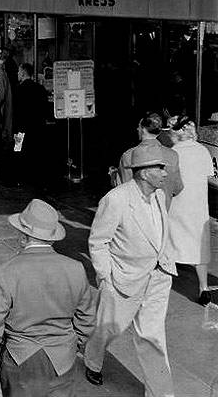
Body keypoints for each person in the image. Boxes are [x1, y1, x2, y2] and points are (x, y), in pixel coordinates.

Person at [84, 144, 177, 395]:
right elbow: (98, 241)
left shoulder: (159, 195)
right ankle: (92, 359)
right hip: (123, 279)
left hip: (158, 276)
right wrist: (106, 278)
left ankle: (161, 392)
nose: (166, 173)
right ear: (145, 172)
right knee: (108, 328)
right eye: (160, 167)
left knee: (152, 337)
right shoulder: (116, 200)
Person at [0, 199, 95, 396]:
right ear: (52, 237)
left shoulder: (6, 271)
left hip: (20, 357)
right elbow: (87, 318)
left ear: (23, 236)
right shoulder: (75, 268)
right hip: (63, 357)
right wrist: (75, 343)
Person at [166, 116, 214, 305]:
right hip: (198, 205)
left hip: (178, 205)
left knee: (171, 242)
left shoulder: (173, 153)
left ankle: (165, 281)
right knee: (199, 246)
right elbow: (209, 175)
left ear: (176, 132)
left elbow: (169, 181)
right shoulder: (202, 150)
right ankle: (203, 287)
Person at [118, 112, 183, 206]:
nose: (137, 129)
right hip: (163, 213)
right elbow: (177, 188)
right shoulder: (172, 155)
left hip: (137, 214)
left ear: (143, 129)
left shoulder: (128, 156)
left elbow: (125, 190)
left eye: (139, 126)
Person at [12, 63, 49, 187]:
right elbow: (45, 109)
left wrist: (14, 130)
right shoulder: (40, 89)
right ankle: (36, 178)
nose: (17, 73)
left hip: (20, 128)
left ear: (23, 73)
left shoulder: (18, 89)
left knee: (18, 151)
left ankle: (20, 179)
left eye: (18, 71)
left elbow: (16, 111)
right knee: (36, 152)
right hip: (37, 127)